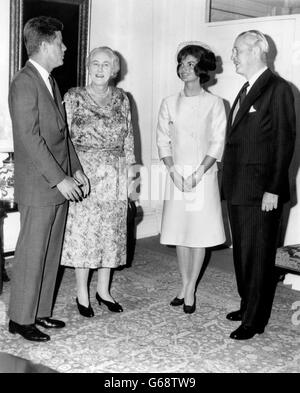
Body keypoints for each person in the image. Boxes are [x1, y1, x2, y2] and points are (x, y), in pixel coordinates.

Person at [8, 16, 89, 342]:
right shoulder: (24, 82)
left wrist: (76, 168)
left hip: (56, 182)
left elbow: (60, 134)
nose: (65, 48)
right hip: (41, 185)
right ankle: (19, 319)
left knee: (50, 250)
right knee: (31, 252)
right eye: (60, 42)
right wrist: (60, 179)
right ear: (43, 46)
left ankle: (39, 312)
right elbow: (30, 138)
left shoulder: (50, 81)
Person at [222, 30, 296, 340]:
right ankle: (247, 303)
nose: (233, 55)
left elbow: (284, 142)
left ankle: (254, 320)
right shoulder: (246, 89)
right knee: (243, 252)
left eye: (237, 50)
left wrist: (274, 189)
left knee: (259, 256)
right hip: (239, 187)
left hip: (262, 190)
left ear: (256, 51)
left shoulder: (278, 89)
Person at [61, 46, 135, 317]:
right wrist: (69, 173)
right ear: (88, 66)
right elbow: (63, 139)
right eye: (95, 63)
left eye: (106, 64)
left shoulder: (122, 98)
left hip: (114, 173)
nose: (100, 69)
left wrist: (130, 180)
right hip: (84, 172)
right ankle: (82, 292)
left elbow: (129, 140)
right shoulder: (73, 96)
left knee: (111, 234)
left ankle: (103, 290)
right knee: (84, 233)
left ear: (114, 69)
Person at [156, 42, 226, 314]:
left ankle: (191, 289)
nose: (184, 69)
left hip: (203, 177)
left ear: (202, 69)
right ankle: (185, 284)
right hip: (175, 175)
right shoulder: (168, 103)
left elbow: (217, 143)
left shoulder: (215, 104)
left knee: (198, 234)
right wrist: (173, 172)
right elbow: (163, 141)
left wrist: (197, 174)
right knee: (180, 232)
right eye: (182, 63)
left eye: (191, 64)